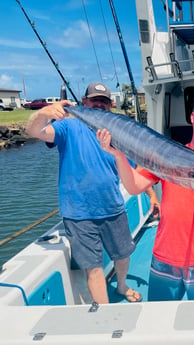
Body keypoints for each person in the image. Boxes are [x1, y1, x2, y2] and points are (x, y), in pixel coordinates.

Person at [97, 95, 194, 301]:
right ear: (193, 117)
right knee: (159, 319)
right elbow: (134, 186)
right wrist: (117, 155)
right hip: (165, 256)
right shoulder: (167, 154)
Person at [26, 82, 142, 304]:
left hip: (113, 207)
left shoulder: (117, 134)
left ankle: (122, 285)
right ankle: (107, 314)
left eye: (104, 101)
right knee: (93, 267)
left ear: (110, 106)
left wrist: (152, 196)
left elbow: (131, 172)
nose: (99, 104)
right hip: (78, 214)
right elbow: (34, 131)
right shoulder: (68, 128)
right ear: (84, 102)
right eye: (94, 100)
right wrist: (44, 113)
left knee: (123, 255)